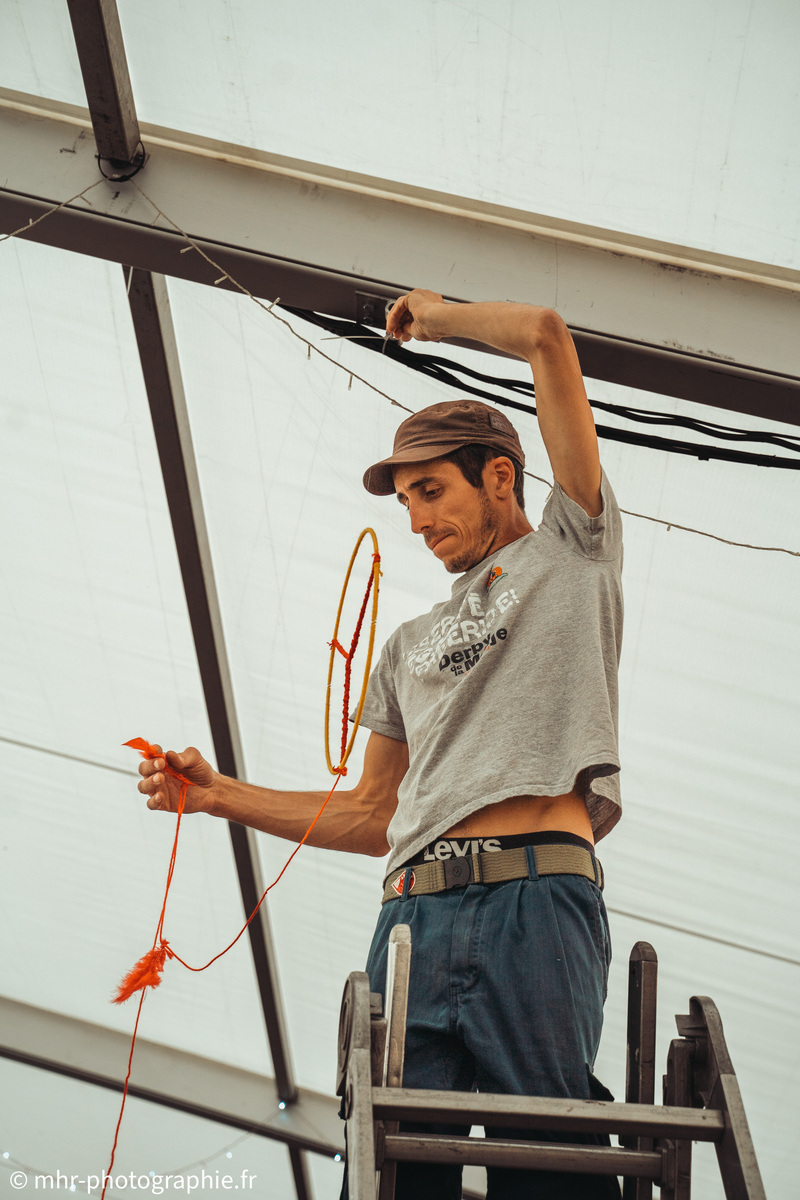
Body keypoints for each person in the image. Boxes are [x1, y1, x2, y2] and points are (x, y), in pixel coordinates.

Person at [137, 290, 623, 1199]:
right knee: (394, 1169)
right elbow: (370, 814)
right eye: (404, 501)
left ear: (502, 479)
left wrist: (436, 320)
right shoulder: (404, 647)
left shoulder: (574, 550)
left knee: (547, 1168)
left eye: (430, 491)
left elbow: (549, 336)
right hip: (411, 921)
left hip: (534, 896)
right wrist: (216, 796)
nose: (416, 520)